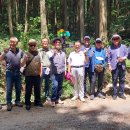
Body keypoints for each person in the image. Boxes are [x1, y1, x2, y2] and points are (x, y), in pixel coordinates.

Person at [0, 36, 23, 111]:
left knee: (18, 88)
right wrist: (4, 53)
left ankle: (17, 101)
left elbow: (24, 58)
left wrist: (23, 67)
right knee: (9, 89)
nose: (12, 43)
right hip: (9, 72)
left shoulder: (20, 51)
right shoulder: (6, 51)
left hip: (18, 72)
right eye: (11, 41)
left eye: (13, 42)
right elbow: (0, 59)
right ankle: (9, 103)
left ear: (16, 43)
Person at [21, 39, 43, 110]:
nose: (33, 46)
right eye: (31, 45)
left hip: (37, 75)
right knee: (28, 90)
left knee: (37, 89)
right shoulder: (26, 54)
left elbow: (40, 63)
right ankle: (27, 103)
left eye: (34, 45)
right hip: (29, 75)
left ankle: (37, 101)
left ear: (36, 46)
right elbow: (21, 64)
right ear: (29, 46)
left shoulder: (38, 53)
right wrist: (24, 59)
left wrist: (40, 72)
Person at [108, 34, 128, 100]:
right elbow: (108, 57)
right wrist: (109, 65)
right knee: (114, 80)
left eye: (117, 38)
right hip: (114, 66)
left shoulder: (124, 46)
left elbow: (126, 54)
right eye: (114, 39)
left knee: (122, 80)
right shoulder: (110, 47)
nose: (116, 40)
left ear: (119, 39)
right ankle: (115, 93)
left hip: (122, 65)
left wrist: (123, 58)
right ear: (112, 40)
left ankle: (121, 93)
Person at [49, 38, 66, 107]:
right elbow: (49, 58)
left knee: (60, 86)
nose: (58, 43)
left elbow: (64, 62)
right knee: (55, 85)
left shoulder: (63, 53)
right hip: (54, 72)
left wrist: (65, 70)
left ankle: (58, 98)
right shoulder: (51, 51)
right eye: (56, 42)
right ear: (54, 44)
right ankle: (53, 100)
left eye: (59, 42)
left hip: (61, 72)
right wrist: (53, 53)